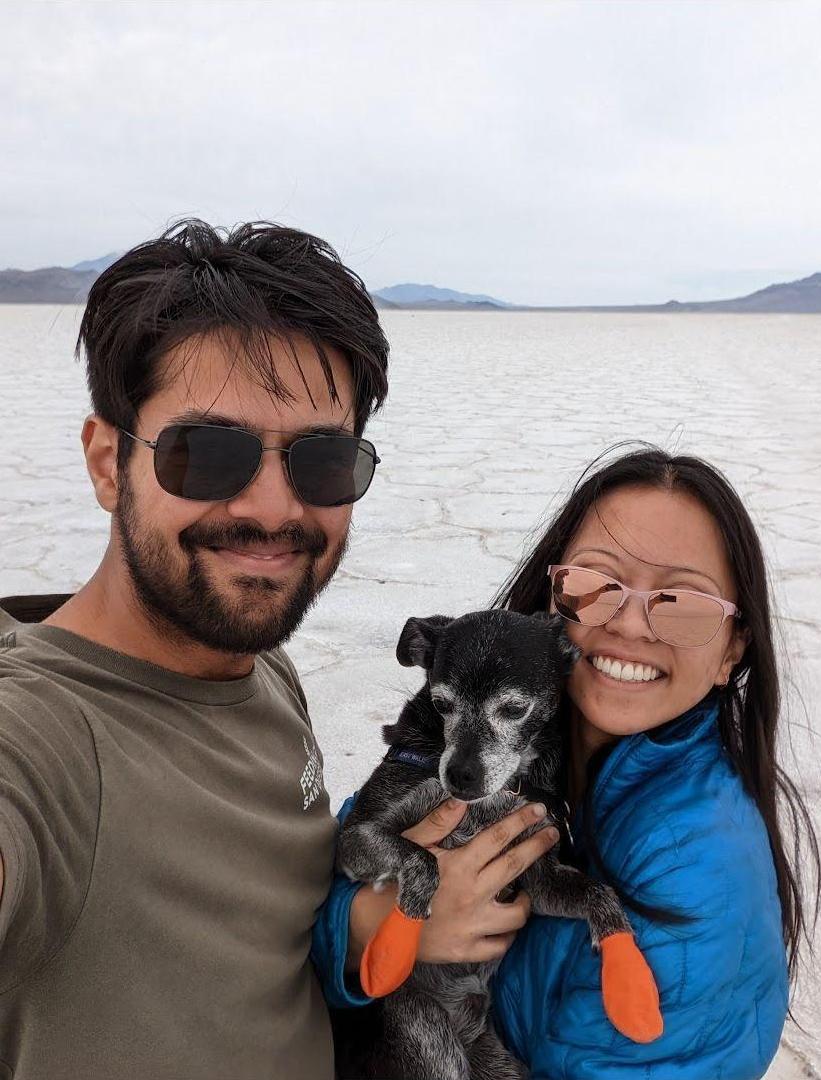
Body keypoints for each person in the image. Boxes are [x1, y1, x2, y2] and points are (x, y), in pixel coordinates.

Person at [0, 219, 555, 1079]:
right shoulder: (43, 739)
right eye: (207, 453)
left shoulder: (264, 669)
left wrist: (387, 922)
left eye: (321, 460)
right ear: (109, 461)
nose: (272, 507)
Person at [486, 448, 820, 1078]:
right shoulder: (502, 736)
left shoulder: (695, 868)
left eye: (683, 605)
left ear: (732, 651)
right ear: (551, 597)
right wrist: (367, 926)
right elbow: (345, 853)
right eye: (593, 585)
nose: (632, 626)